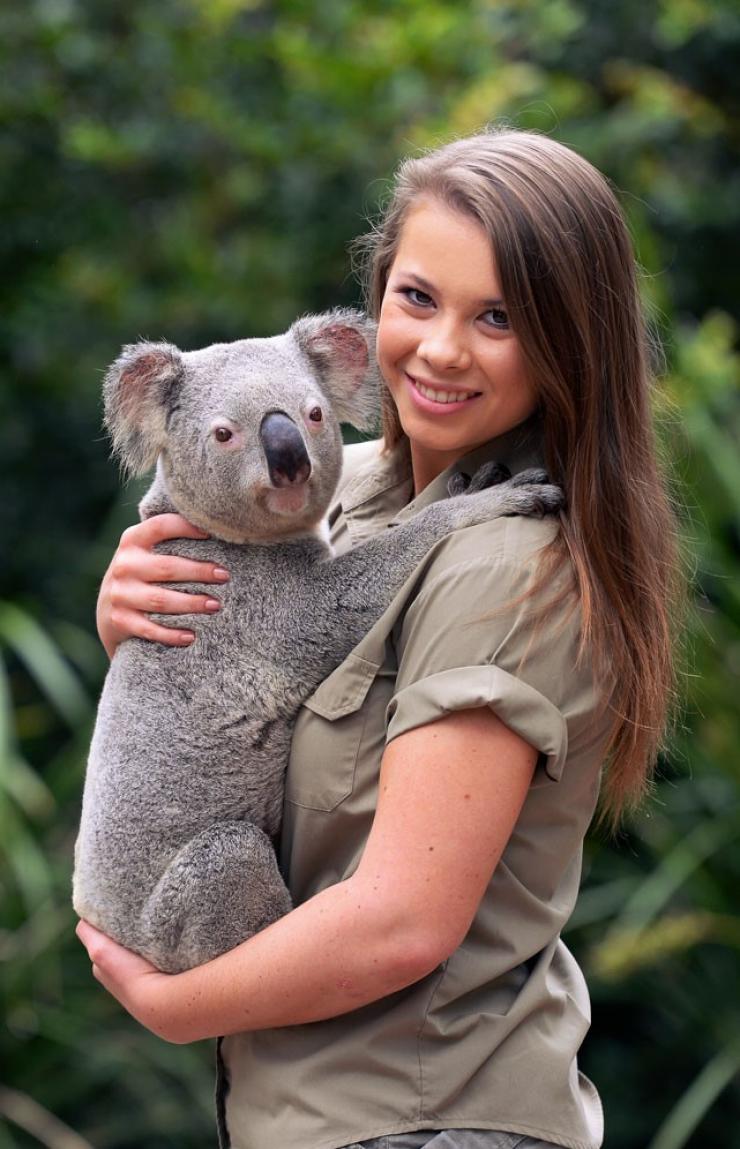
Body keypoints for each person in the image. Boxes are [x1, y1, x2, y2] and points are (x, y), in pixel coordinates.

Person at [76, 128, 682, 1149]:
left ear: (568, 339)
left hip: (426, 1119)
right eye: (416, 298)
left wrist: (176, 1008)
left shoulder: (505, 555)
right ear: (366, 315)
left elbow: (403, 919)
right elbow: (240, 693)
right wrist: (135, 618)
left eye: (497, 317)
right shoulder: (336, 491)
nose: (441, 347)